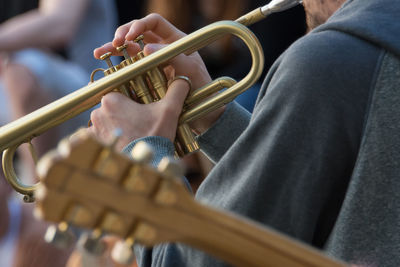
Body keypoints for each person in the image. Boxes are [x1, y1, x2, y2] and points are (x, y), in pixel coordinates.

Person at [90, 0, 400, 266]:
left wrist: (140, 153)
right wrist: (213, 113)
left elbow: (198, 260)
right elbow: (289, 192)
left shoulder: (328, 60)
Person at [0, 0, 117, 182]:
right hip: (45, 97)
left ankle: (38, 192)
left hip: (95, 91)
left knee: (21, 69)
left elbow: (59, 24)